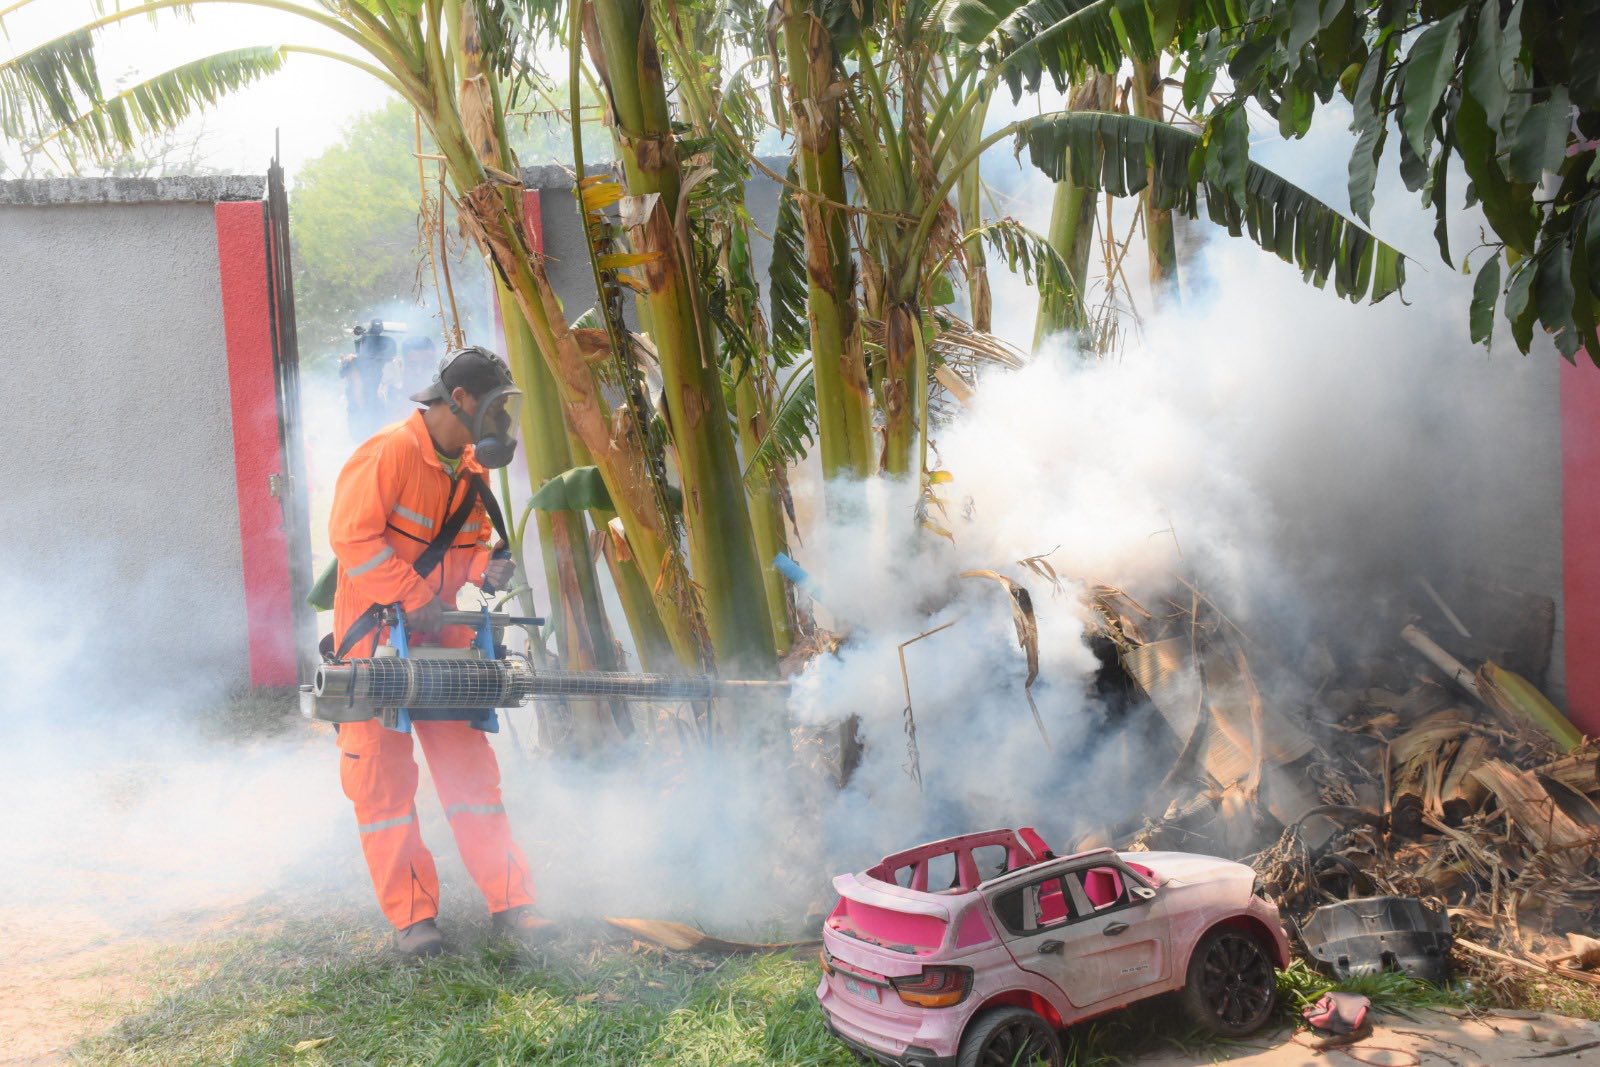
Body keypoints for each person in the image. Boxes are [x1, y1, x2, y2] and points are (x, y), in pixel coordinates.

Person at [327, 345, 550, 957]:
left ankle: (513, 902)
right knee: (384, 788)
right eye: (497, 406)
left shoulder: (472, 471)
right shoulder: (389, 453)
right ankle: (415, 921)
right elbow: (351, 538)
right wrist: (408, 594)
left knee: (472, 780)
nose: (503, 421)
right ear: (461, 401)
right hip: (374, 645)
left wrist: (488, 565)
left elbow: (470, 544)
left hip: (444, 646)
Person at [384, 335, 438, 422]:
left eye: (426, 365)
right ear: (401, 365)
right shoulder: (387, 399)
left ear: (435, 366)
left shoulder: (441, 404)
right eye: (412, 365)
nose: (419, 372)